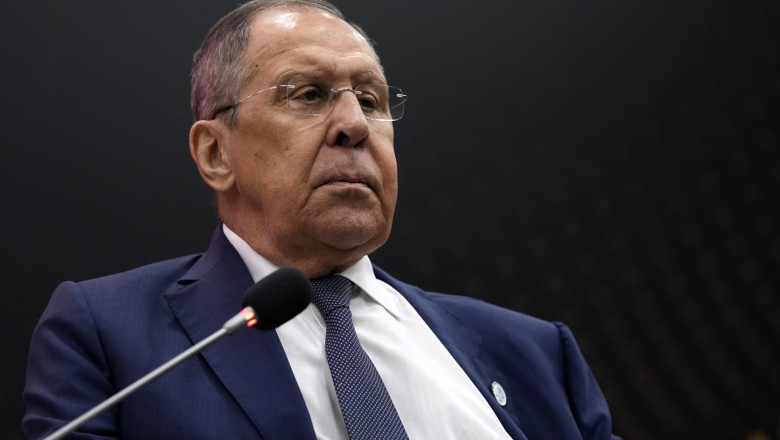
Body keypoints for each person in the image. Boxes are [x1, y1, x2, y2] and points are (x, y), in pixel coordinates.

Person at [23, 1, 621, 438]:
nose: (355, 125)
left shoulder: (535, 353)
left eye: (371, 100)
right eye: (308, 95)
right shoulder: (110, 334)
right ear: (215, 153)